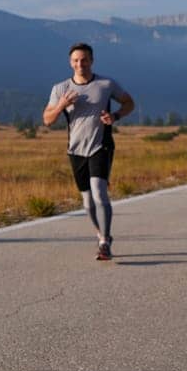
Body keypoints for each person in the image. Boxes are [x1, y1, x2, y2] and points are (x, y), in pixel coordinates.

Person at [43, 42, 135, 260]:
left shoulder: (106, 84)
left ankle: (104, 241)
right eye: (75, 60)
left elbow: (129, 103)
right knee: (87, 202)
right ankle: (100, 233)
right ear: (70, 63)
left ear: (92, 61)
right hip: (76, 149)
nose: (80, 64)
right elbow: (47, 120)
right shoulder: (60, 89)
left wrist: (115, 116)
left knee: (99, 192)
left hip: (101, 145)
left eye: (84, 60)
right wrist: (61, 105)